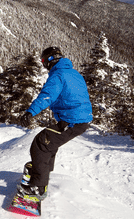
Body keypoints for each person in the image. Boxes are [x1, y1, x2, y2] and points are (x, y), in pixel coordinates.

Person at [17, 46, 93, 202]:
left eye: (44, 61)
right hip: (78, 118)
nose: (44, 65)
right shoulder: (73, 73)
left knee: (41, 144)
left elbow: (47, 96)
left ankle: (37, 188)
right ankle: (42, 170)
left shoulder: (58, 75)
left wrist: (30, 111)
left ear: (49, 61)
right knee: (49, 142)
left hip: (73, 121)